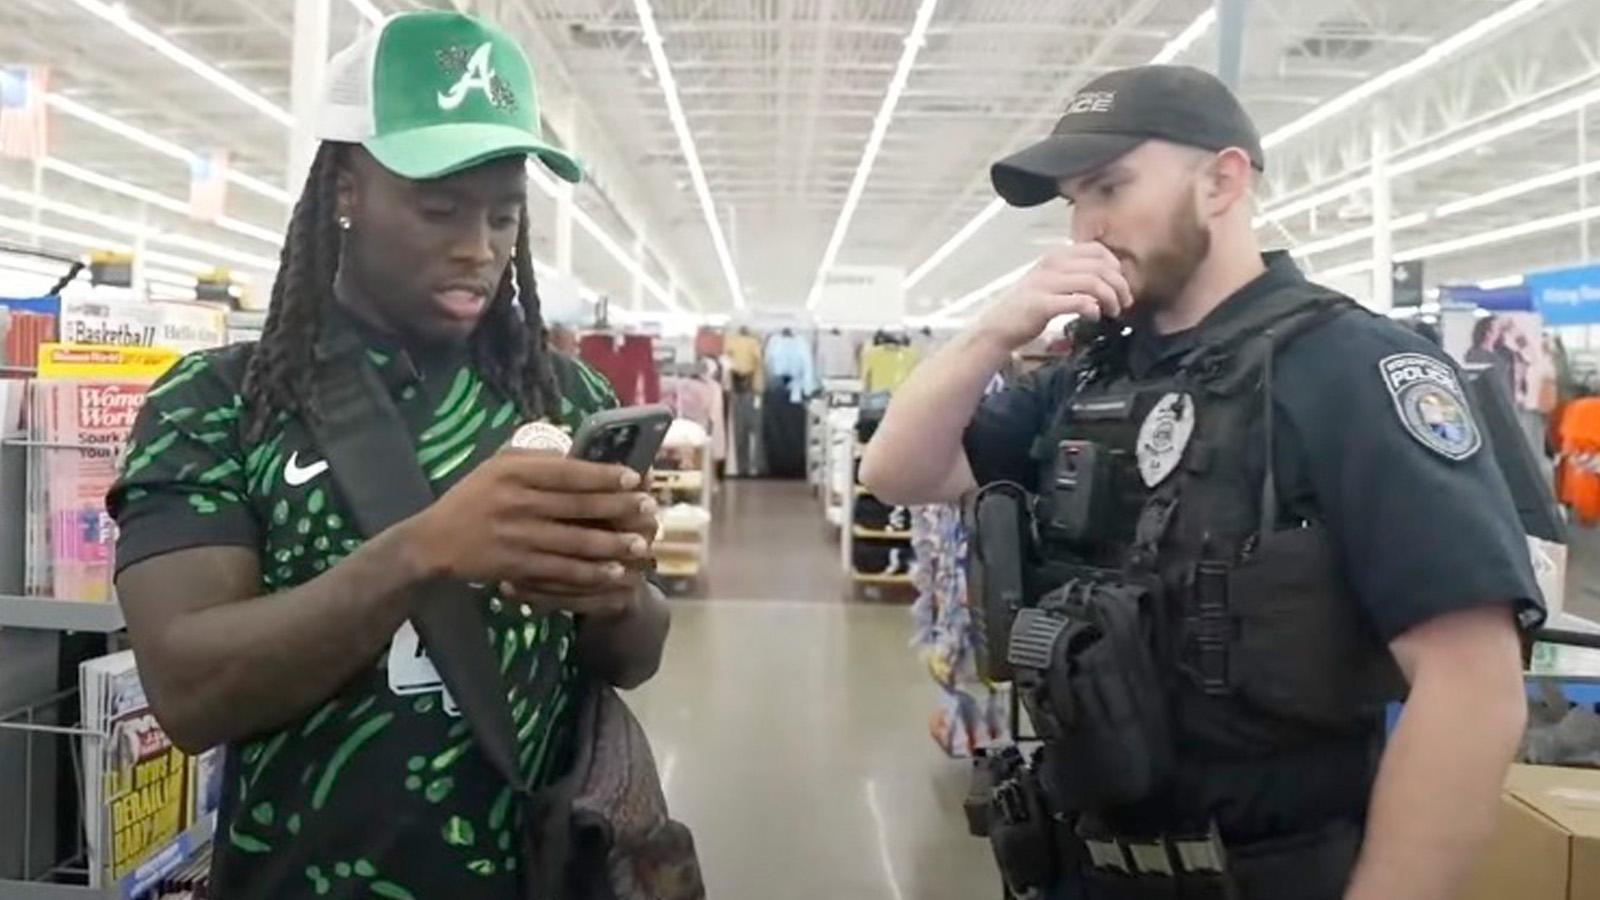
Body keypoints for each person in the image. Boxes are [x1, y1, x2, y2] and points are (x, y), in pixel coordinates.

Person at [862, 64, 1540, 900]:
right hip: (1080, 867)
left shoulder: (1348, 371)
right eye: (1074, 201)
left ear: (1223, 181)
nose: (1086, 226)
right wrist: (996, 329)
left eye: (1109, 186)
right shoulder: (1089, 377)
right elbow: (896, 472)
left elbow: (1472, 684)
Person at [106, 11, 669, 898]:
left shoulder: (567, 397)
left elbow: (635, 656)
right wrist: (423, 550)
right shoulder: (217, 403)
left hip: (539, 871)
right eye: (439, 208)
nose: (477, 248)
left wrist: (613, 592)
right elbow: (188, 690)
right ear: (346, 191)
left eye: (502, 215)